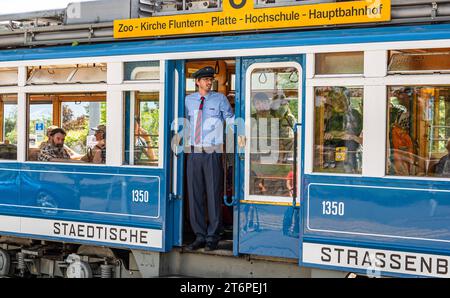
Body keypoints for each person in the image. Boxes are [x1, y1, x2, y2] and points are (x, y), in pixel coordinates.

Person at [185, 66, 234, 251]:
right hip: (194, 153)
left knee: (213, 195)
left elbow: (230, 119)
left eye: (210, 79)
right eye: (205, 79)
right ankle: (199, 235)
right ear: (197, 82)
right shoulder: (188, 100)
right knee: (195, 195)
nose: (209, 82)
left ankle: (213, 237)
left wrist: (240, 133)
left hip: (213, 153)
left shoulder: (219, 99)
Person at [322, 88, 363, 173]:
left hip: (350, 156)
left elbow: (355, 136)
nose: (334, 104)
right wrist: (327, 135)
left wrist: (349, 136)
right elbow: (327, 134)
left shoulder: (354, 114)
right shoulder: (333, 115)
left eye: (336, 101)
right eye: (333, 101)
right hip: (333, 157)